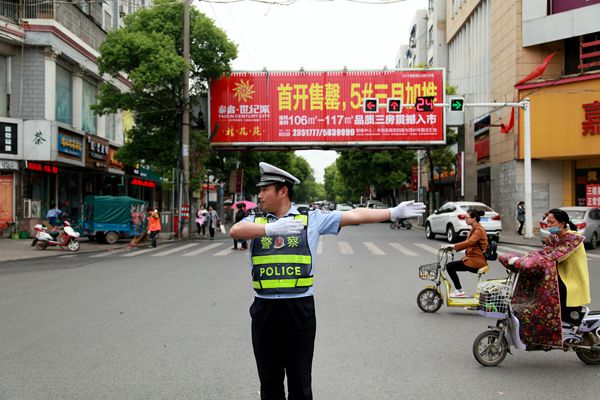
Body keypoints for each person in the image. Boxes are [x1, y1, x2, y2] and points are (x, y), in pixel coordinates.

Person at [230, 162, 426, 400]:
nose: (260, 194)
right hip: (264, 310)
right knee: (269, 382)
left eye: (265, 189)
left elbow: (354, 215)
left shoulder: (311, 218)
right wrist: (271, 230)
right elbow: (236, 231)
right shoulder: (254, 219)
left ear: (282, 191)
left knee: (300, 381)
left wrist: (392, 212)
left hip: (298, 308)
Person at [500, 208, 591, 347]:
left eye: (551, 222)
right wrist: (524, 257)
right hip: (555, 275)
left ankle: (556, 326)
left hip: (571, 279)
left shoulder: (573, 238)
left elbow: (554, 257)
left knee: (548, 295)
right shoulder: (554, 238)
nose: (548, 225)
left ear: (562, 223)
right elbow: (543, 252)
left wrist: (528, 262)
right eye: (547, 222)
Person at [442, 209, 489, 298]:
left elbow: (470, 242)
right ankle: (459, 290)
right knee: (451, 266)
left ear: (474, 218)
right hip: (473, 259)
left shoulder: (478, 230)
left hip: (477, 261)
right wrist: (451, 248)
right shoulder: (474, 229)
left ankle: (460, 291)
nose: (465, 219)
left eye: (467, 217)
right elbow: (468, 243)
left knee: (450, 266)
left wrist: (453, 246)